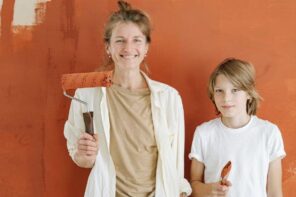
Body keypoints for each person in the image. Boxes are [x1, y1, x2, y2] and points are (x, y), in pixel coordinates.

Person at [64, 1, 191, 196]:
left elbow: (174, 161)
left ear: (147, 46)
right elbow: (83, 160)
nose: (128, 47)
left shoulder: (169, 98)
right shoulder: (86, 95)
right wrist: (84, 153)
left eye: (137, 40)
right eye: (120, 40)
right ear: (108, 46)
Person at [189, 58, 286, 197]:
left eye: (235, 90)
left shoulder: (269, 132)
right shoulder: (204, 133)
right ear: (213, 94)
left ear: (249, 93)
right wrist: (208, 190)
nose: (226, 98)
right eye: (219, 91)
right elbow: (194, 185)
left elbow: (275, 192)